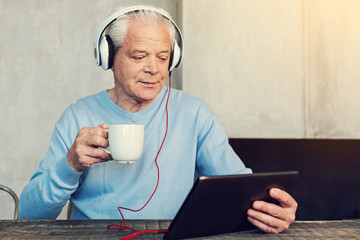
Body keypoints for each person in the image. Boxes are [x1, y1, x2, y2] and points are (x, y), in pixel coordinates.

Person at [19, 5, 297, 234]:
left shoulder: (193, 112)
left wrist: (271, 206)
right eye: (139, 56)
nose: (153, 69)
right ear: (109, 57)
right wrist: (70, 164)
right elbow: (28, 215)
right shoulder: (77, 116)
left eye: (163, 57)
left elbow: (237, 184)